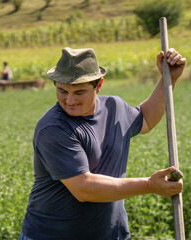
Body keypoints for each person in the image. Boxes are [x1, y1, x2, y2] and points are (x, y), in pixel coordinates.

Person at [19, 47, 186, 240]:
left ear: (98, 86)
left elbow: (146, 119)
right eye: (62, 91)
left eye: (79, 92)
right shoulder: (53, 128)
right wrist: (149, 185)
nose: (69, 100)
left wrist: (169, 79)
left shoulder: (114, 108)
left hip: (109, 234)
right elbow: (83, 187)